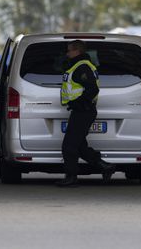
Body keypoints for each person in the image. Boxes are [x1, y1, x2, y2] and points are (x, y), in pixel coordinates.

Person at [56, 40, 116, 187]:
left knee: (69, 146)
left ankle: (71, 177)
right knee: (79, 146)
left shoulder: (82, 67)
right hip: (82, 110)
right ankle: (105, 167)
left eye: (69, 50)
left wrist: (79, 103)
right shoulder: (79, 65)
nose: (67, 53)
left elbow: (92, 89)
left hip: (83, 111)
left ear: (77, 51)